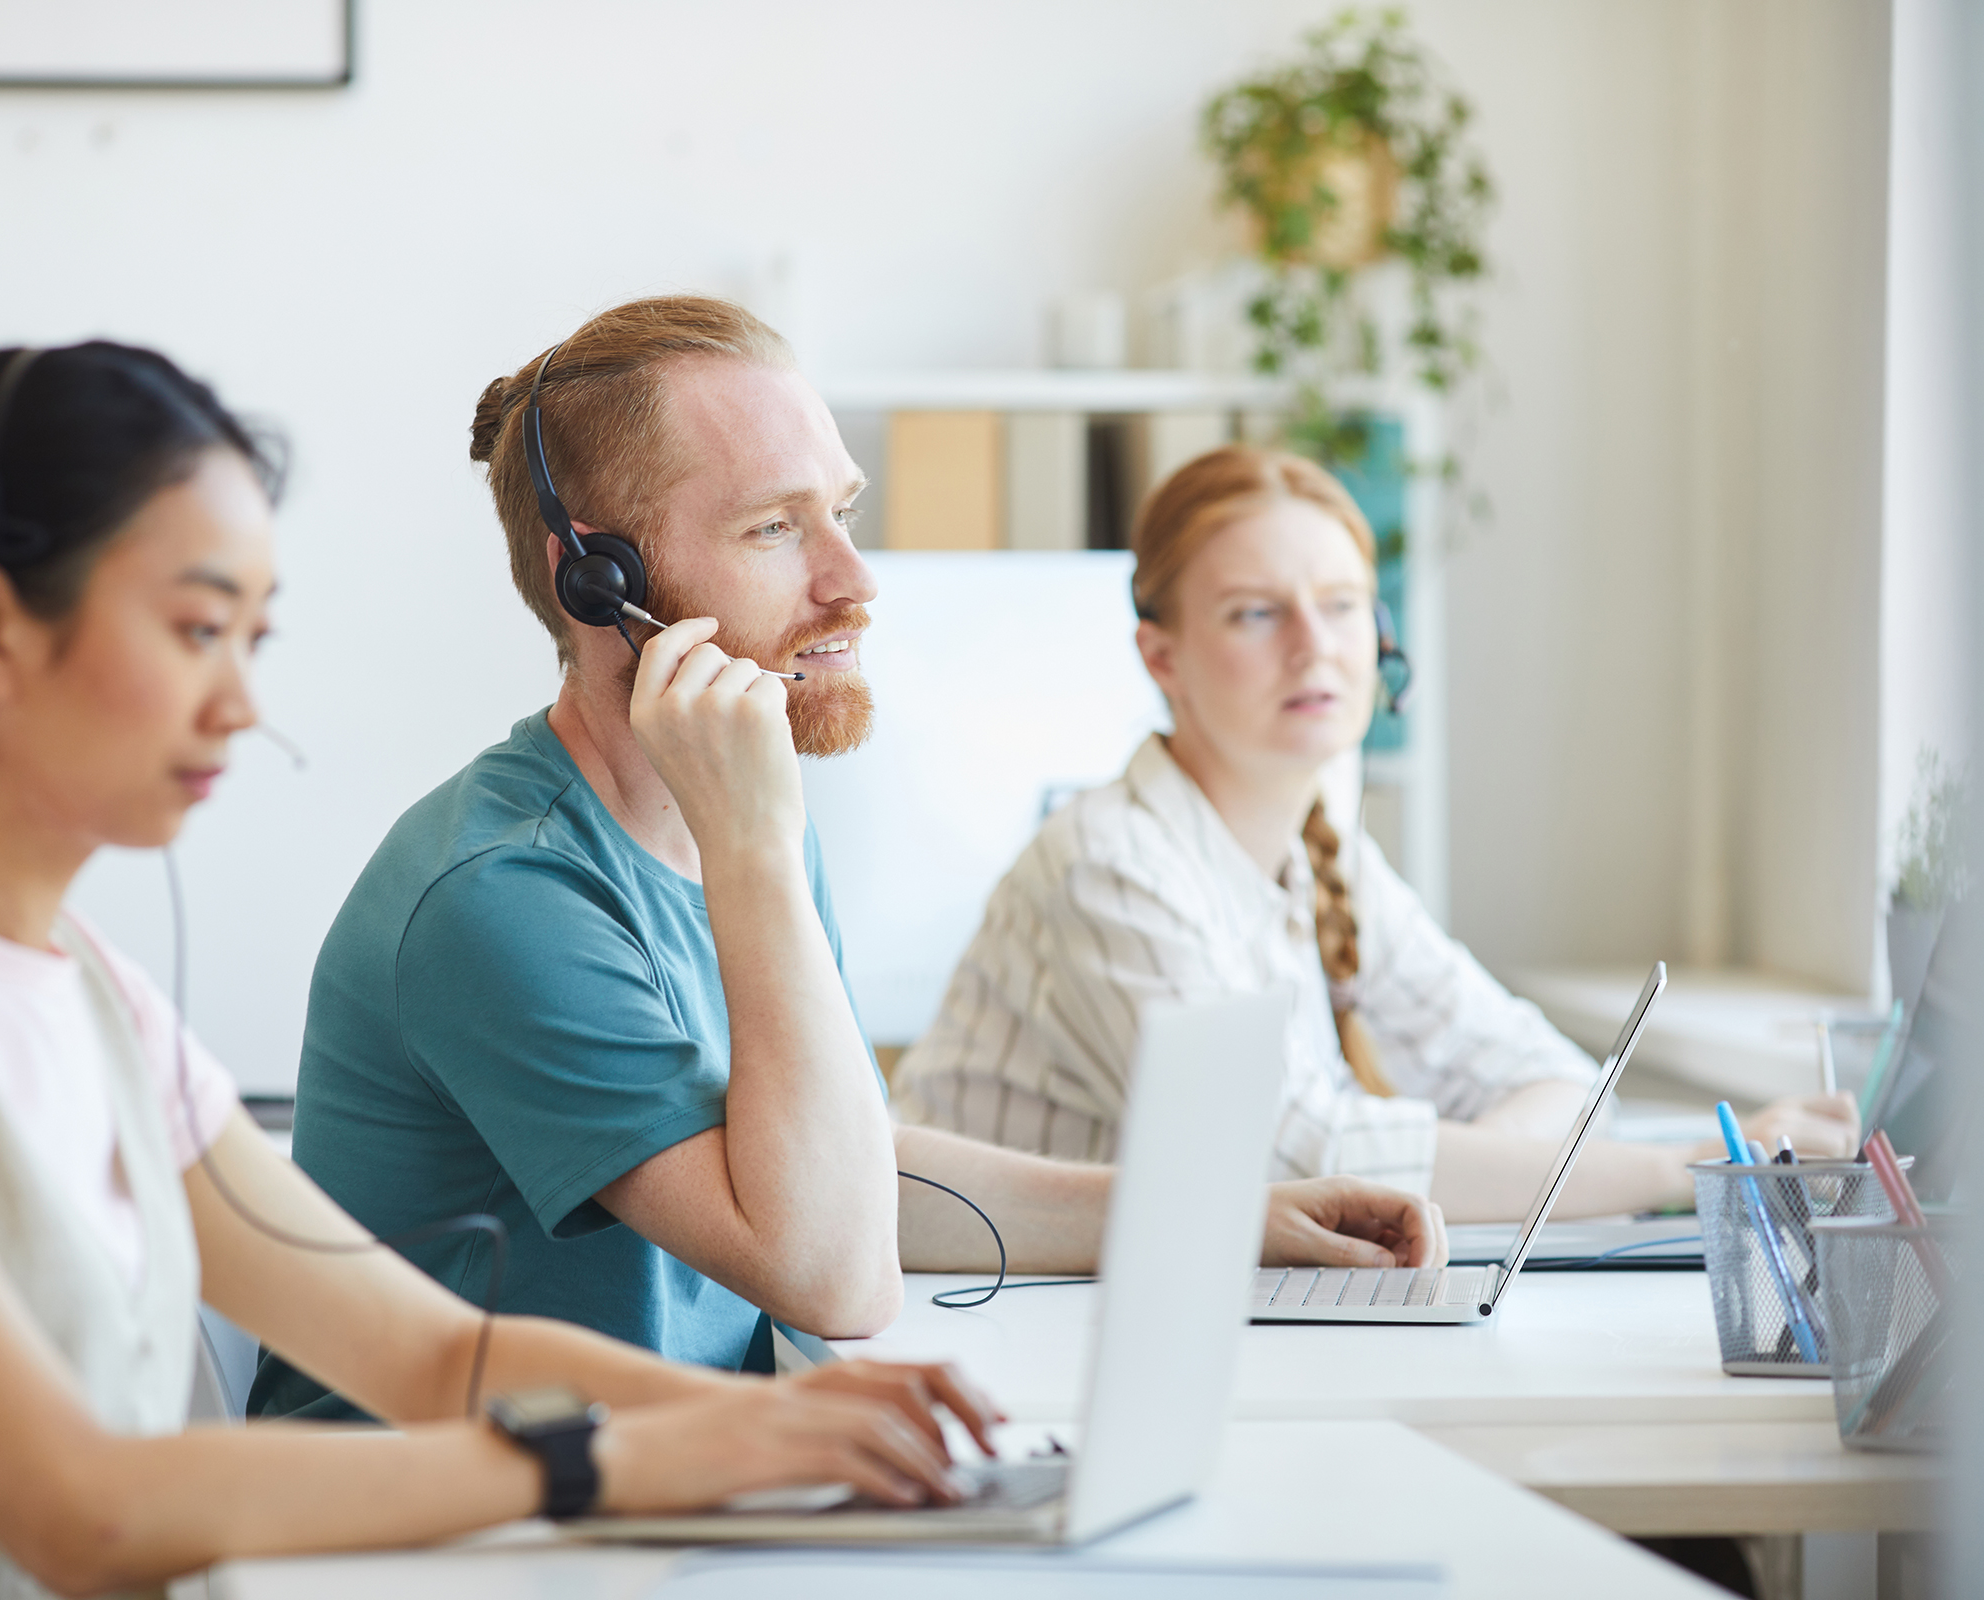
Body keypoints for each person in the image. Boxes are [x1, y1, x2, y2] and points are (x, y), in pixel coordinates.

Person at [0, 342, 1007, 1599]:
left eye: (254, 636)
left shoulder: (84, 990)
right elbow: (70, 1506)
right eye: (200, 629)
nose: (244, 704)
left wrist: (784, 1429)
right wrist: (611, 1460)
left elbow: (434, 1360)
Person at [255, 298, 1445, 1419]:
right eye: (775, 527)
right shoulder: (504, 894)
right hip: (436, 1541)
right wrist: (760, 848)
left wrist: (1225, 1212)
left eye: (845, 512)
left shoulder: (734, 822)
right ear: (598, 583)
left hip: (649, 1485)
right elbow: (834, 1275)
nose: (855, 581)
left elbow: (851, 1172)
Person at [891, 445, 1858, 1223]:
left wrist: (1496, 1165)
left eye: (1343, 606)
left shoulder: (1327, 850)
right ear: (1163, 656)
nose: (1315, 647)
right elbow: (1303, 1167)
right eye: (1256, 613)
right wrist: (1678, 1166)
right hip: (975, 1332)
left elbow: (1554, 1076)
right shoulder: (1106, 864)